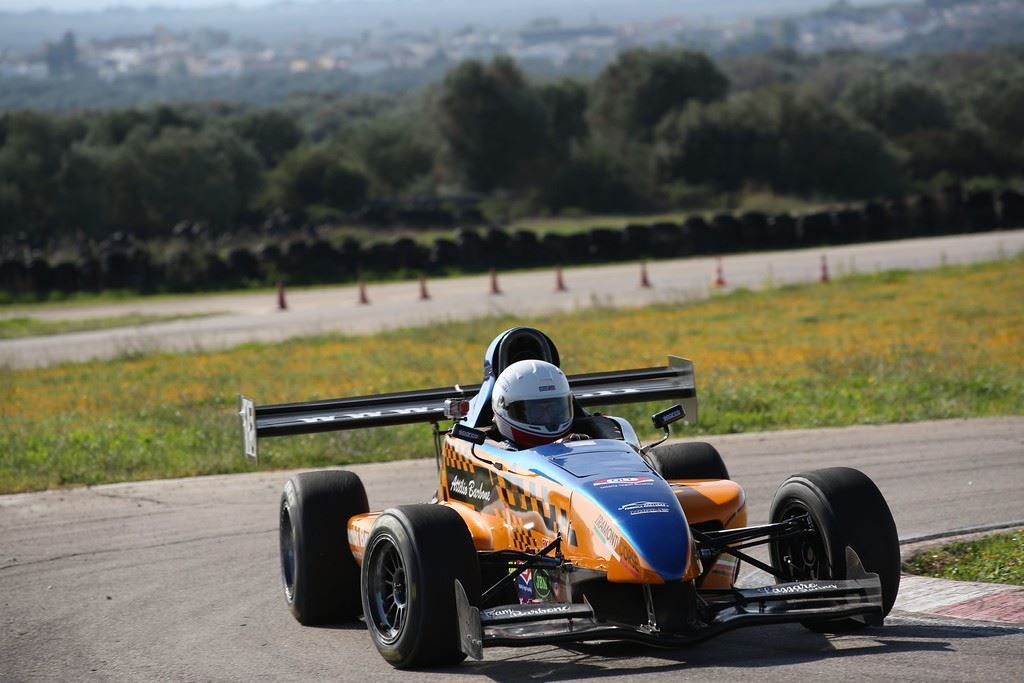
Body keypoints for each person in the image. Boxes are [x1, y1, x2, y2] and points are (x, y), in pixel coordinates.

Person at [491, 359, 577, 448]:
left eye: (554, 410)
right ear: (503, 407)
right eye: (536, 411)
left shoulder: (581, 439)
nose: (547, 419)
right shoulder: (484, 451)